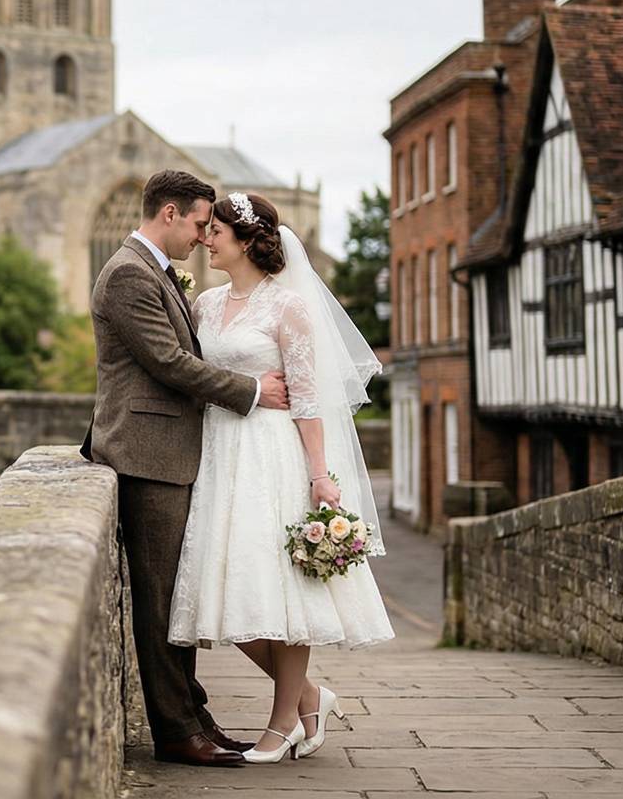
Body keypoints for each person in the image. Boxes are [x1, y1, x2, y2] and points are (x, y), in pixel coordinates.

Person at [169, 191, 393, 764]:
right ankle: (310, 697)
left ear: (246, 241)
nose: (206, 238)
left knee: (282, 592)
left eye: (216, 230)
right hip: (219, 452)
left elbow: (309, 398)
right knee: (227, 593)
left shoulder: (286, 307)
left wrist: (320, 475)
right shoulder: (206, 305)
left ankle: (281, 723)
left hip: (272, 456)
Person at [83, 170, 290, 769]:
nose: (204, 236)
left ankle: (194, 715)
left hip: (168, 451)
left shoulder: (149, 270)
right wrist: (250, 390)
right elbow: (169, 362)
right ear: (169, 214)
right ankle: (176, 733)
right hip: (146, 452)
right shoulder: (127, 273)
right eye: (201, 222)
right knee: (161, 601)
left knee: (177, 597)